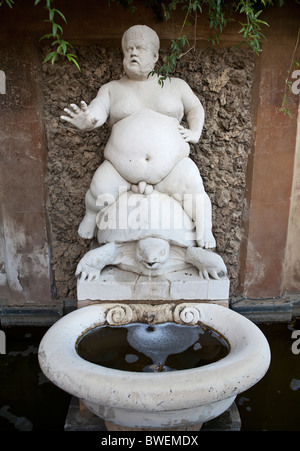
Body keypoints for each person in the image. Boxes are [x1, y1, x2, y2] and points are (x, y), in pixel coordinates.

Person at [61, 25, 215, 248]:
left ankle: (204, 228)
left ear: (154, 56)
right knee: (99, 187)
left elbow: (196, 109)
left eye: (140, 48)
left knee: (194, 186)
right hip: (120, 170)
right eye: (128, 49)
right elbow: (97, 110)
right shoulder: (112, 89)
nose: (133, 53)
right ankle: (92, 215)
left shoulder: (176, 86)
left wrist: (195, 132)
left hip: (173, 168)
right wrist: (87, 121)